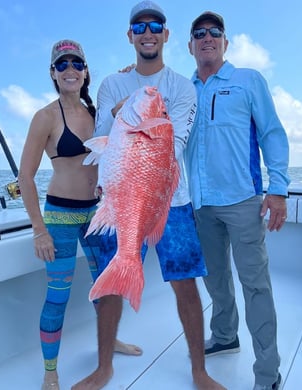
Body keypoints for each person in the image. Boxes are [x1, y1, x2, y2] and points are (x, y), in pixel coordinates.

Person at [71, 2, 226, 390]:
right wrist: (124, 117)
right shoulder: (111, 85)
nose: (147, 31)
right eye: (139, 26)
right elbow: (103, 138)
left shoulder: (181, 88)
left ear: (166, 35)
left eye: (155, 25)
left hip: (171, 203)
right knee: (110, 288)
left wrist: (135, 124)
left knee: (186, 284)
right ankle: (105, 367)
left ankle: (199, 371)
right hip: (120, 198)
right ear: (130, 36)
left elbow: (174, 144)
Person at [18, 39, 142, 390]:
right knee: (58, 296)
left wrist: (128, 78)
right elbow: (25, 177)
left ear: (85, 72)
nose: (69, 69)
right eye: (62, 64)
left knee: (108, 287)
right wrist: (39, 230)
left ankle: (109, 341)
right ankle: (51, 371)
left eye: (76, 63)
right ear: (53, 74)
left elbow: (132, 110)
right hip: (59, 216)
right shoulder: (45, 117)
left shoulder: (97, 112)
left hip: (98, 214)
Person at [186, 11, 290, 390]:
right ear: (190, 45)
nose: (208, 37)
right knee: (215, 279)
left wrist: (277, 188)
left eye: (215, 32)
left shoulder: (248, 80)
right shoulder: (183, 90)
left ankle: (268, 374)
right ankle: (225, 335)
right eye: (200, 33)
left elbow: (273, 134)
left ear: (225, 42)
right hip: (201, 204)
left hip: (244, 200)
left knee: (255, 285)